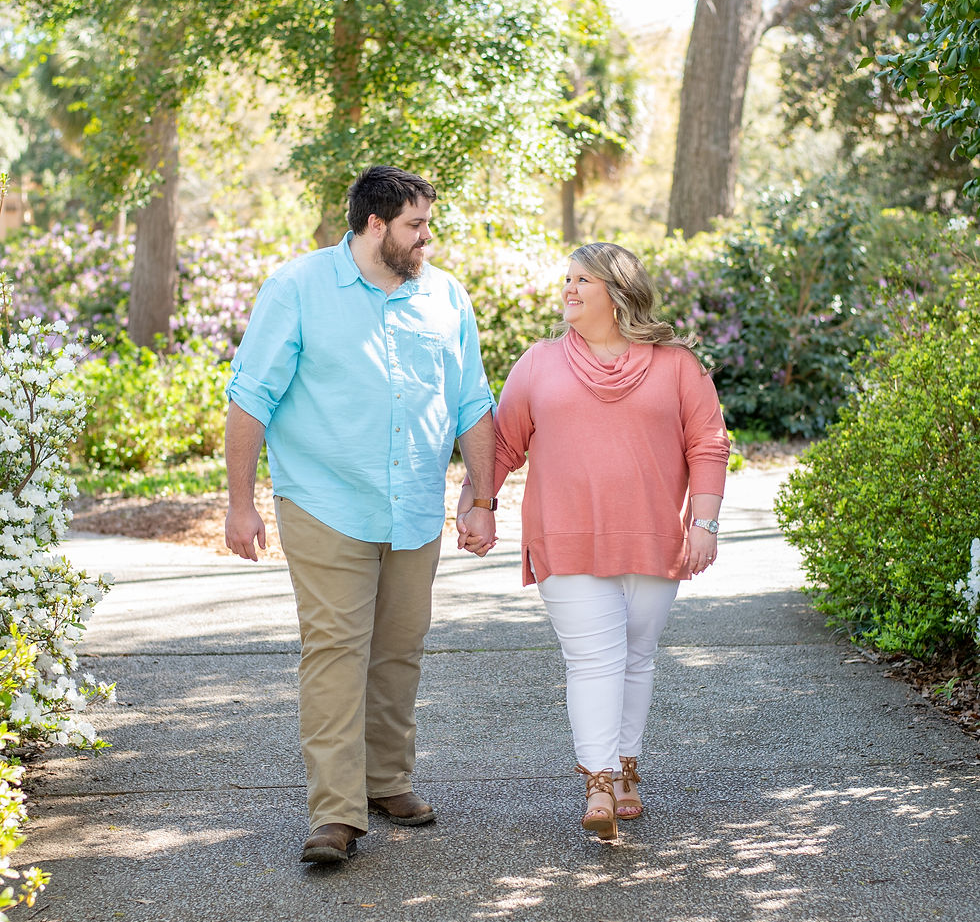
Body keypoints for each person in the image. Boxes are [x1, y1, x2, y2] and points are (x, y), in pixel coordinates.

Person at [225, 165, 497, 866]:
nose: (426, 238)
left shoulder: (444, 296)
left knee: (400, 648)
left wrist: (483, 496)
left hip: (412, 504)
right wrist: (239, 504)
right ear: (374, 225)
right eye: (415, 226)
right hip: (325, 500)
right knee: (336, 652)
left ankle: (386, 782)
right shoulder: (299, 287)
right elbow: (250, 396)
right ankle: (336, 814)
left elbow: (471, 401)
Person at [461, 242, 729, 843]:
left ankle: (627, 766)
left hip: (656, 539)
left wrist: (704, 525)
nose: (570, 289)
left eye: (584, 280)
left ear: (618, 291)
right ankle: (599, 781)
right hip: (566, 537)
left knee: (636, 659)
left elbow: (707, 445)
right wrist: (478, 505)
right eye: (568, 278)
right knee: (593, 660)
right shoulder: (538, 363)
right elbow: (503, 445)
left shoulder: (678, 364)